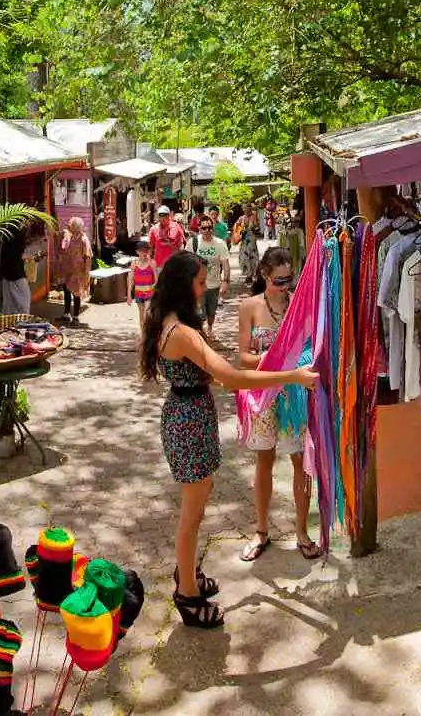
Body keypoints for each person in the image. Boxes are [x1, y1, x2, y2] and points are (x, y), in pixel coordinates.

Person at [141, 251, 315, 628]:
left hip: (188, 415)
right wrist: (290, 377)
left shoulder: (166, 322)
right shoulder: (181, 333)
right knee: (191, 515)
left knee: (198, 507)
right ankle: (186, 593)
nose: (206, 290)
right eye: (201, 283)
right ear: (183, 285)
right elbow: (231, 376)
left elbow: (219, 374)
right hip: (189, 422)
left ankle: (187, 573)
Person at [237, 247, 317, 562]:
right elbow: (243, 357)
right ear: (264, 276)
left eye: (289, 280)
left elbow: (312, 347)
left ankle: (302, 531)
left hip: (295, 394)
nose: (285, 287)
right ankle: (261, 530)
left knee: (301, 462)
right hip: (264, 394)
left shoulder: (301, 304)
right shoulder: (250, 307)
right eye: (278, 281)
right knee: (264, 462)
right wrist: (275, 361)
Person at [194, 222, 231, 332]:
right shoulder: (194, 242)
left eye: (210, 228)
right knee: (200, 312)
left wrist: (225, 281)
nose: (207, 230)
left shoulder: (220, 243)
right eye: (204, 228)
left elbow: (225, 264)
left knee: (211, 311)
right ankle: (201, 333)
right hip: (198, 284)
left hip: (214, 284)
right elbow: (187, 260)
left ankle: (210, 328)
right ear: (199, 229)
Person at [57, 216, 93, 325]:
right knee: (66, 291)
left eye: (70, 224)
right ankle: (66, 314)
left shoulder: (83, 239)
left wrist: (86, 273)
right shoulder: (67, 235)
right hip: (67, 269)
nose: (68, 225)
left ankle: (76, 317)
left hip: (78, 272)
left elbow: (88, 256)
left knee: (76, 293)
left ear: (76, 227)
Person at [0, 219, 31, 315]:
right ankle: (20, 324)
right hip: (15, 274)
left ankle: (11, 325)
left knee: (9, 304)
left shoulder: (8, 234)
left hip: (8, 274)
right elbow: (12, 256)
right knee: (23, 302)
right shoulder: (17, 235)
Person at [130, 238, 156, 329]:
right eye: (142, 251)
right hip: (138, 293)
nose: (144, 253)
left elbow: (156, 279)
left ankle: (147, 336)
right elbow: (130, 279)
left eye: (146, 251)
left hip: (150, 293)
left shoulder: (152, 263)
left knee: (146, 314)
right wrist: (129, 295)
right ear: (137, 252)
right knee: (141, 316)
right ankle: (143, 336)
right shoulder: (134, 263)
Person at [237, 211, 261, 282]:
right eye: (245, 208)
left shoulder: (253, 217)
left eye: (248, 208)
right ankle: (248, 274)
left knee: (252, 256)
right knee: (244, 257)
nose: (246, 210)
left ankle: (252, 273)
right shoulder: (241, 218)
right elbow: (236, 227)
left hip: (251, 240)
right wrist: (240, 231)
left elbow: (257, 228)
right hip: (244, 241)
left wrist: (254, 223)